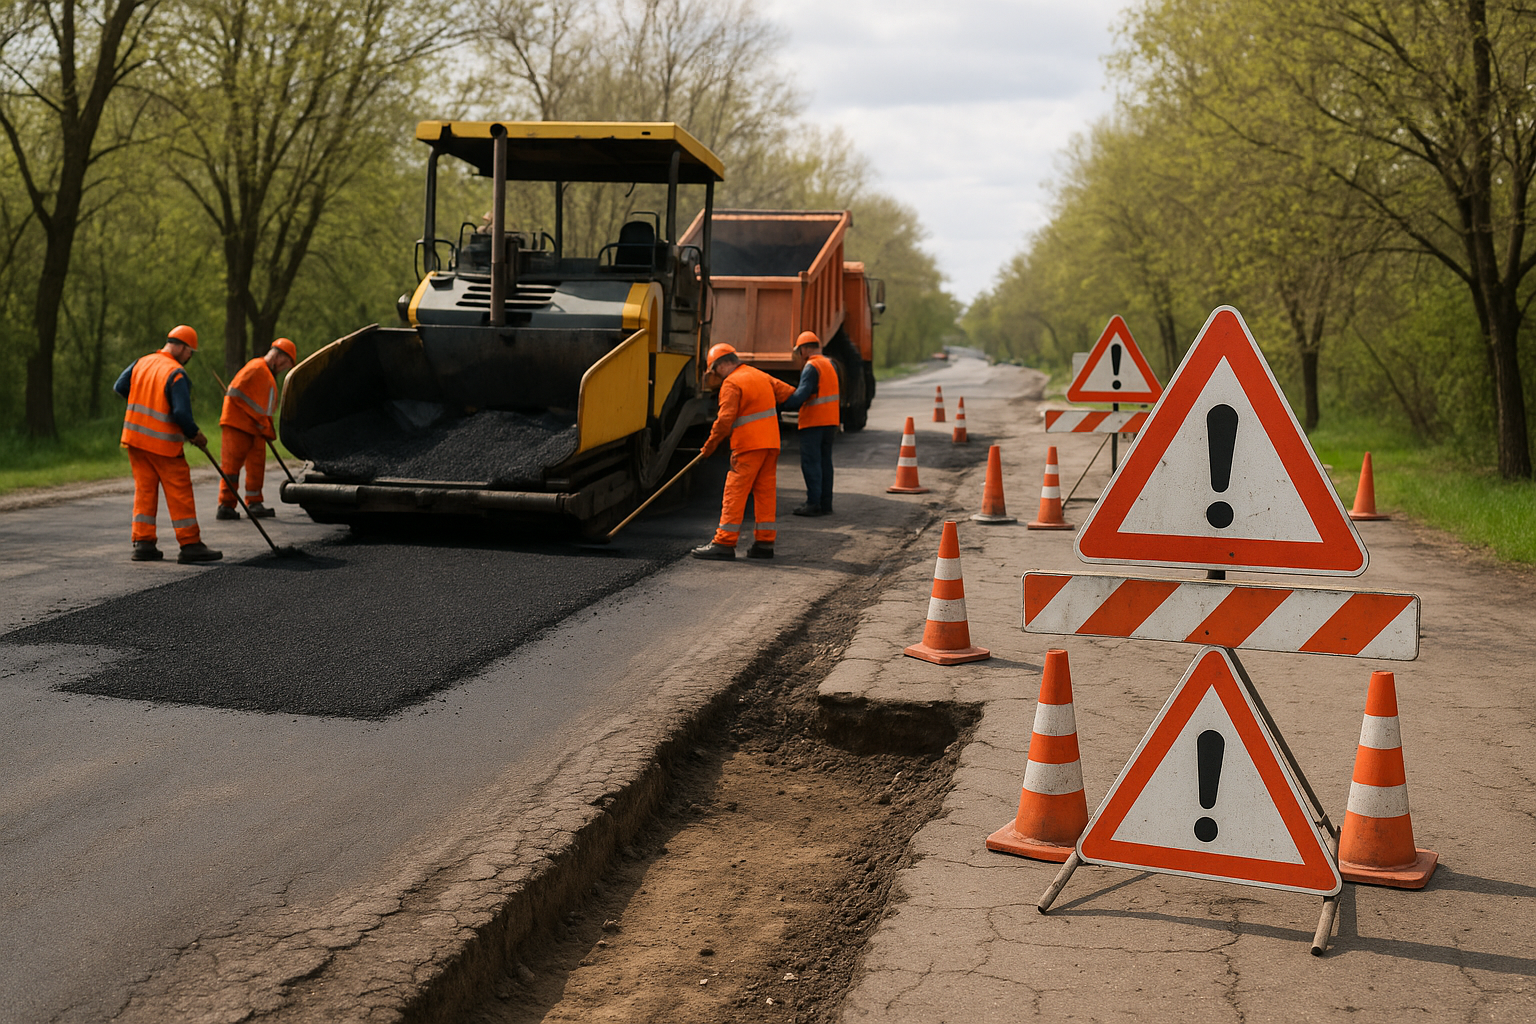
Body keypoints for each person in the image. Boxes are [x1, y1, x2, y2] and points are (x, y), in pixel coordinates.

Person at [114, 325, 222, 564]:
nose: (189, 357)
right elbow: (182, 414)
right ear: (182, 347)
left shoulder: (141, 362)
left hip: (135, 440)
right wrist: (195, 435)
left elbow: (120, 387)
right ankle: (190, 544)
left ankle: (143, 544)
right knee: (179, 491)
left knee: (145, 489)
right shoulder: (176, 374)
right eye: (190, 352)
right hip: (163, 444)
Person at [692, 343, 794, 561]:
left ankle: (724, 542)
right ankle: (765, 543)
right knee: (765, 493)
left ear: (722, 365)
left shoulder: (731, 383)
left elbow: (724, 421)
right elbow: (789, 393)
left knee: (735, 492)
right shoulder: (760, 375)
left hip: (748, 446)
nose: (716, 376)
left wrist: (708, 447)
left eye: (715, 371)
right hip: (771, 444)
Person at [217, 338, 298, 520]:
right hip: (237, 425)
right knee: (232, 467)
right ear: (277, 356)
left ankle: (254, 502)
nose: (283, 369)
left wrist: (264, 426)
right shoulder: (256, 368)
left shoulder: (265, 374)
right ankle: (226, 505)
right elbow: (236, 393)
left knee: (256, 465)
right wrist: (262, 422)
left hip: (255, 428)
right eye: (285, 364)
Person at [779, 330, 839, 516]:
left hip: (814, 422)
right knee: (825, 462)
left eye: (799, 351)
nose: (799, 355)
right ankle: (825, 504)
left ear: (805, 349)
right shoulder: (830, 364)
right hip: (831, 421)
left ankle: (813, 504)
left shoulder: (812, 366)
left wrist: (781, 404)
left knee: (811, 463)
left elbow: (802, 395)